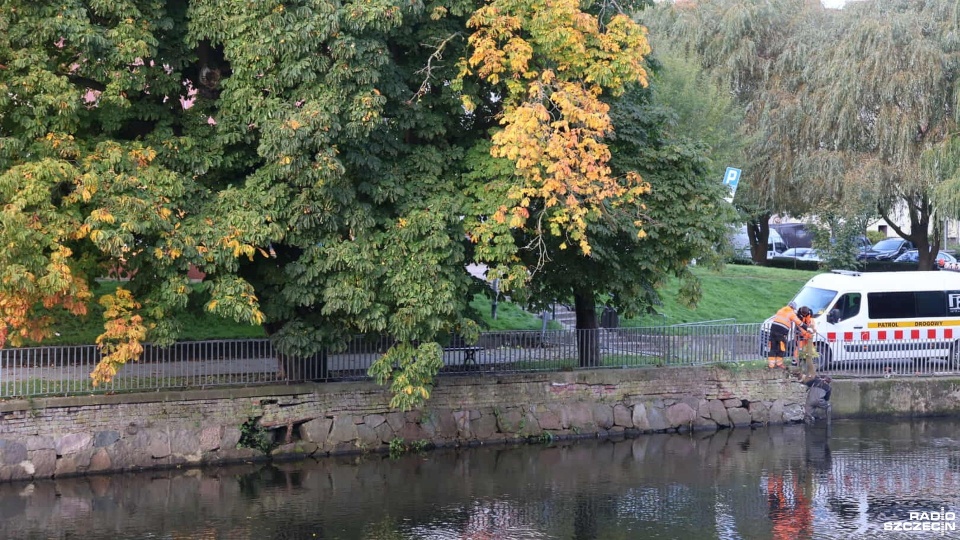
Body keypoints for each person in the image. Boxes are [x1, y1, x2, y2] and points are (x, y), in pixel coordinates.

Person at [768, 301, 808, 369]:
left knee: (773, 347)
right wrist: (807, 328)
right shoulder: (791, 313)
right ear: (792, 307)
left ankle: (771, 365)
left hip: (773, 330)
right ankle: (779, 364)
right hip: (781, 332)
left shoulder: (780, 310)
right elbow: (799, 323)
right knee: (781, 348)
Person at [793, 306, 818, 379]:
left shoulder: (809, 313)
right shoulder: (798, 316)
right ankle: (795, 361)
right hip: (800, 333)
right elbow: (799, 326)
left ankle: (807, 358)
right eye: (804, 314)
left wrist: (810, 330)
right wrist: (806, 333)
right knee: (799, 347)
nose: (805, 315)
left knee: (808, 347)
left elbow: (810, 322)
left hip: (807, 332)